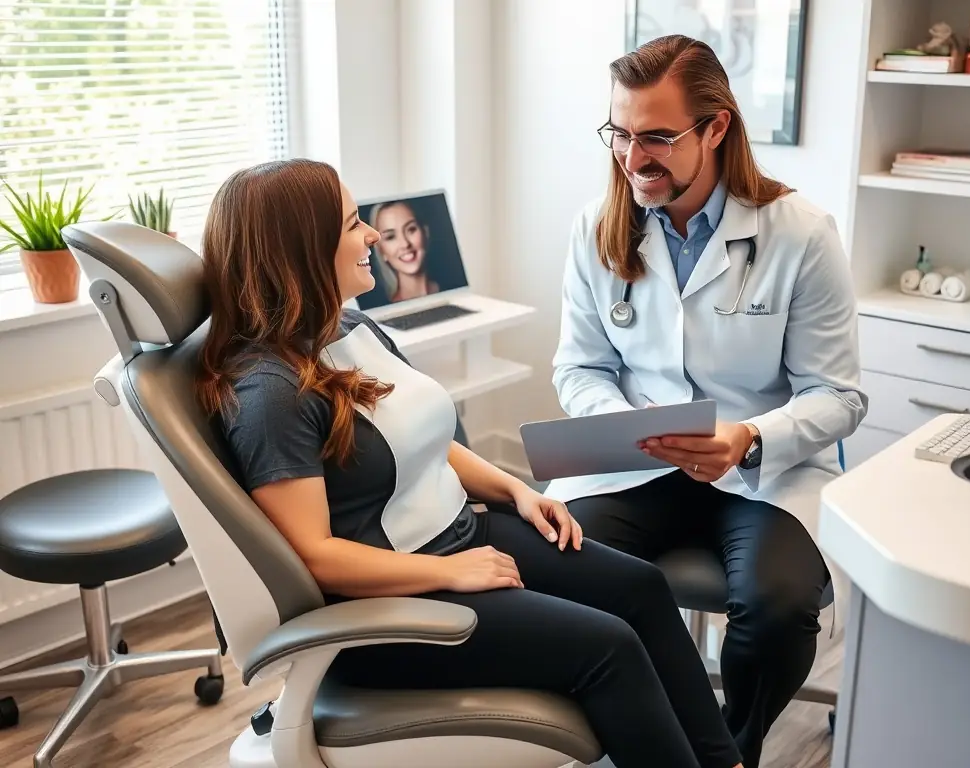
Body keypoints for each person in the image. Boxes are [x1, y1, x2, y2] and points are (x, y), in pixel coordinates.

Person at [195, 158, 744, 768]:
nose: (372, 235)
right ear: (301, 250)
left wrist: (518, 491)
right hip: (389, 608)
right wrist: (450, 573)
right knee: (609, 647)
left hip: (458, 536)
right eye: (353, 224)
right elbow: (315, 555)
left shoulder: (348, 326)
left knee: (641, 588)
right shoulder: (270, 393)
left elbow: (428, 439)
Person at [546, 35, 867, 768]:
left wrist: (748, 437)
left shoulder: (801, 234)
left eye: (657, 138)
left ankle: (732, 749)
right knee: (563, 571)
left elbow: (838, 396)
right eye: (620, 134)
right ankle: (662, 744)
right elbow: (580, 368)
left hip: (764, 475)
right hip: (633, 466)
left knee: (778, 609)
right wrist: (624, 425)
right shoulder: (598, 226)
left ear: (716, 127)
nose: (633, 158)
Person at [368, 200, 439, 301]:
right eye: (391, 237)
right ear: (381, 251)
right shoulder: (383, 309)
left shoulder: (455, 291)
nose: (405, 244)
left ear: (425, 233)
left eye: (411, 229)